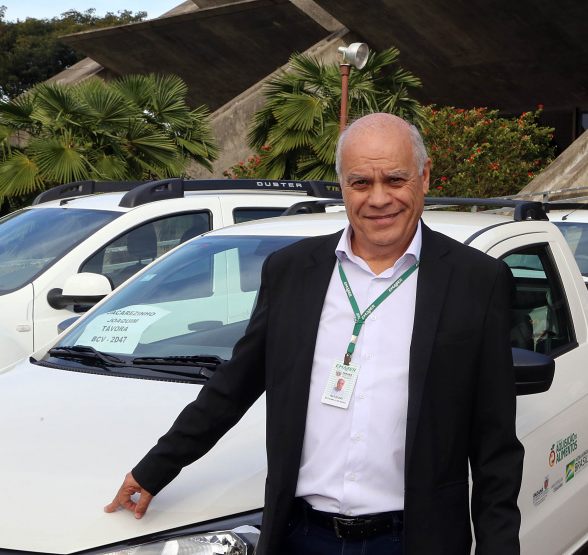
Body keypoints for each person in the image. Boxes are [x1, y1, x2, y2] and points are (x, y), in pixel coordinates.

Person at [104, 113, 524, 554]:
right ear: (342, 185)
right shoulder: (291, 272)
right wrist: (155, 469)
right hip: (300, 536)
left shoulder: (478, 280)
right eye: (361, 183)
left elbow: (495, 445)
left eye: (395, 179)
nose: (379, 199)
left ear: (424, 176)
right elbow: (233, 386)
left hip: (415, 540)